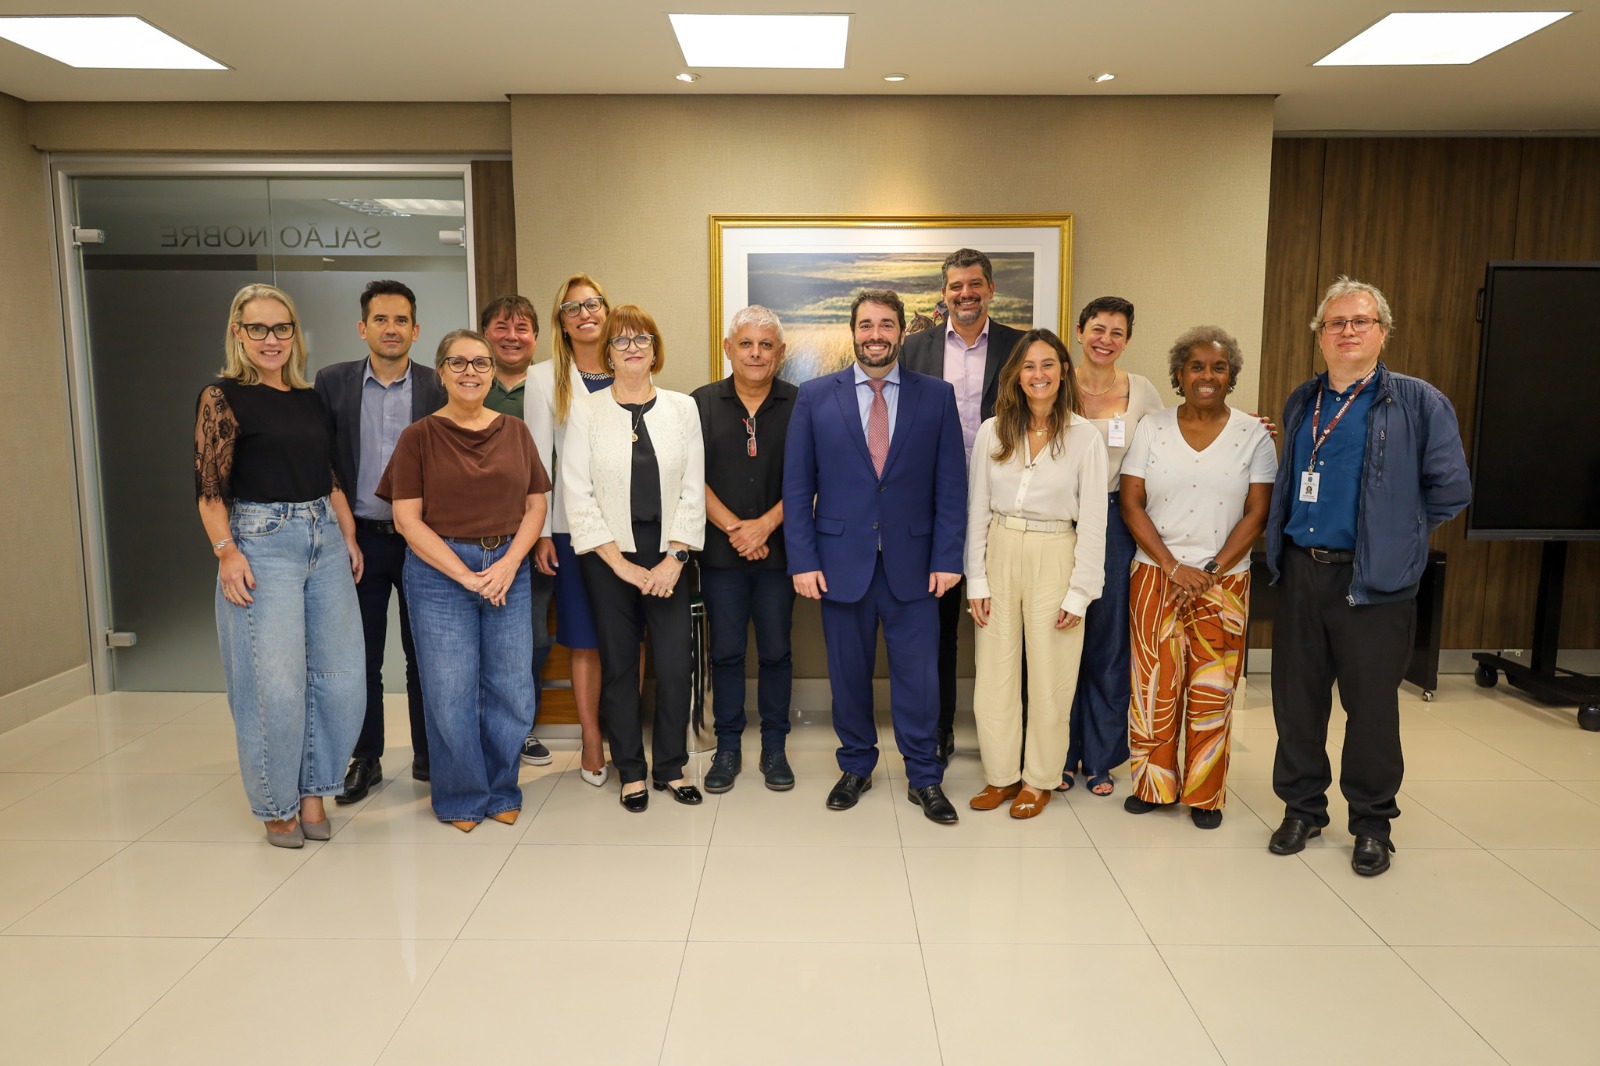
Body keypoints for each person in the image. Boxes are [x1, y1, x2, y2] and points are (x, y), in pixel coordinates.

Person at [1265, 276, 1470, 876]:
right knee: (1296, 703)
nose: (1348, 331)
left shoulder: (1418, 401)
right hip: (1302, 571)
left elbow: (1450, 489)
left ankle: (1372, 822)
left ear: (1382, 332)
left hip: (1374, 581)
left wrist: (1398, 537)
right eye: (1336, 323)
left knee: (1372, 708)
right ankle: (1302, 808)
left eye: (1361, 322)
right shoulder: (1304, 399)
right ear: (1320, 335)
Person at [784, 289, 967, 824]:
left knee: (920, 678)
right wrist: (802, 560)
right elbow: (797, 488)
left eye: (887, 325)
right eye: (867, 325)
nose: (876, 335)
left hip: (916, 565)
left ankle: (924, 777)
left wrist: (947, 557)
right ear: (853, 332)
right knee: (847, 673)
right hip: (840, 563)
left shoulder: (936, 396)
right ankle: (857, 766)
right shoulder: (816, 396)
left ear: (902, 332)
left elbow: (951, 486)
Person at [194, 283, 364, 848]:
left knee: (339, 678)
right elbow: (210, 488)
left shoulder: (309, 396)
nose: (272, 340)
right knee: (276, 684)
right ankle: (276, 802)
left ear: (296, 334)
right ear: (238, 334)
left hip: (326, 539)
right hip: (261, 542)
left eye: (281, 328)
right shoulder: (221, 397)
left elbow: (330, 473)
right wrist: (227, 553)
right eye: (258, 329)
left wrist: (348, 533)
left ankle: (314, 788)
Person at [378, 330, 550, 831]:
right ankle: (459, 796)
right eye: (458, 363)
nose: (470, 372)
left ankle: (501, 788)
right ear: (442, 372)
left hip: (507, 567)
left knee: (512, 690)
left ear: (493, 372)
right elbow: (407, 520)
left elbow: (536, 504)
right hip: (439, 573)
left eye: (480, 363)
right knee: (450, 690)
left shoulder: (515, 431)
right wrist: (466, 576)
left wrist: (508, 565)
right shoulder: (419, 437)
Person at [1119, 326, 1276, 829]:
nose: (1207, 376)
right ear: (1179, 375)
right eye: (1196, 367)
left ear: (1231, 377)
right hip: (1155, 575)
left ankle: (1205, 793)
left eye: (1218, 367)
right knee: (1153, 686)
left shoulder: (1254, 435)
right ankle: (1153, 785)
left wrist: (1210, 569)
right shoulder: (1152, 428)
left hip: (1224, 582)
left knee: (1213, 689)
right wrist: (1170, 564)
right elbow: (1130, 501)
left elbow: (1257, 513)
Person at [562, 306, 706, 812]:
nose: (633, 347)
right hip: (608, 558)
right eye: (621, 341)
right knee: (621, 666)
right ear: (608, 353)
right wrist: (620, 564)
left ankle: (671, 765)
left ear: (655, 347)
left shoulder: (682, 408)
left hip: (669, 556)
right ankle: (630, 770)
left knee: (673, 664)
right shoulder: (587, 411)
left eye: (642, 338)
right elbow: (576, 494)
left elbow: (693, 490)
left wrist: (674, 559)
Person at [965, 330, 1107, 818]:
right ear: (1015, 375)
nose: (1039, 374)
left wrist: (1080, 593)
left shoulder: (1085, 437)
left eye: (1048, 364)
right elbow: (976, 510)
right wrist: (976, 581)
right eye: (1029, 366)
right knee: (994, 677)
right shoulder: (992, 431)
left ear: (1064, 371)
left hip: (1056, 554)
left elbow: (1093, 521)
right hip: (1000, 550)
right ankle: (1001, 776)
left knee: (1051, 679)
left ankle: (1039, 779)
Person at [315, 279, 446, 804]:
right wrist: (343, 531)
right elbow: (321, 461)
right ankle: (364, 757)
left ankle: (429, 754)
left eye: (400, 320)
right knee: (361, 657)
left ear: (416, 330)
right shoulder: (333, 383)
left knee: (427, 655)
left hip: (425, 543)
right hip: (360, 541)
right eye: (380, 319)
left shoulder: (439, 386)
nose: (390, 329)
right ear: (362, 326)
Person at [901, 248, 1027, 764]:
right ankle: (938, 731)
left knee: (1011, 625)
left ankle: (1014, 736)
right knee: (939, 627)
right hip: (936, 509)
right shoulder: (915, 350)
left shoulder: (1021, 347)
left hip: (1007, 508)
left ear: (991, 289)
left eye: (975, 285)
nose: (965, 294)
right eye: (956, 286)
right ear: (944, 293)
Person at [692, 306, 798, 793]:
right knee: (727, 653)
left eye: (766, 345)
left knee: (776, 652)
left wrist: (765, 527)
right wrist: (738, 529)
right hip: (720, 556)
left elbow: (814, 480)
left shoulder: (801, 404)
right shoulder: (700, 404)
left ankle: (774, 746)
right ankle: (729, 747)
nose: (756, 353)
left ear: (780, 351)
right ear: (728, 348)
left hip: (780, 556)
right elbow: (689, 479)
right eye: (746, 344)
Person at [1061, 297, 1164, 797]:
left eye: (1117, 333)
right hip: (1060, 522)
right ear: (1079, 332)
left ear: (1126, 341)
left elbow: (1171, 445)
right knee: (1058, 640)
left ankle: (1100, 757)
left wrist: (1242, 424)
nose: (1106, 339)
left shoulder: (1142, 392)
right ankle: (1057, 753)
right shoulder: (1053, 383)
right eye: (1097, 329)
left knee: (1107, 642)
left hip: (1115, 523)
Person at [526, 273, 614, 787]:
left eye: (593, 303)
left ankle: (623, 731)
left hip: (629, 528)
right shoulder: (544, 378)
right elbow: (539, 459)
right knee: (583, 639)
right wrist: (539, 532)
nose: (585, 313)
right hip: (569, 528)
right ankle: (590, 738)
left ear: (607, 309)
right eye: (572, 307)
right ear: (561, 321)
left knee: (625, 638)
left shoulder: (631, 360)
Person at [479, 294, 556, 768]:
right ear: (485, 333)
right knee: (472, 639)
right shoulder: (468, 381)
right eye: (502, 327)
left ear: (536, 337)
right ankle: (477, 728)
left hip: (533, 532)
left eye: (523, 328)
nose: (512, 337)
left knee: (531, 638)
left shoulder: (549, 385)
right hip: (467, 536)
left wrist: (544, 531)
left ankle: (521, 728)